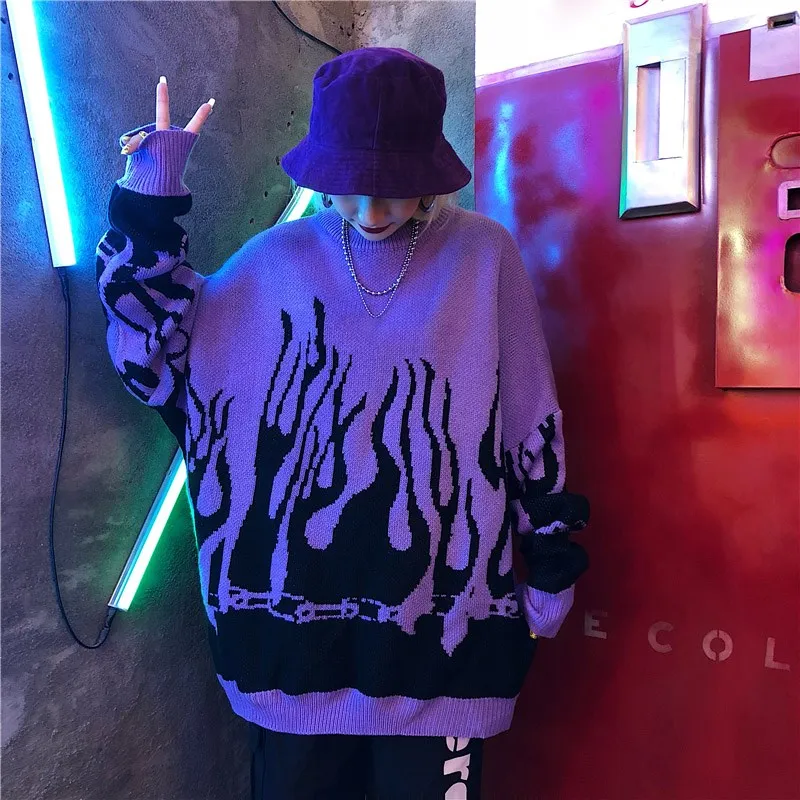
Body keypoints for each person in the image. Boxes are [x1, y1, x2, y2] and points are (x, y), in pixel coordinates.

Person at [97, 47, 589, 800]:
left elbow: (530, 420)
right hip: (290, 659)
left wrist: (549, 574)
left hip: (445, 655)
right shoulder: (274, 262)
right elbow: (154, 356)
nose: (371, 210)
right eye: (349, 185)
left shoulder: (483, 257)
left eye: (395, 187)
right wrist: (151, 199)